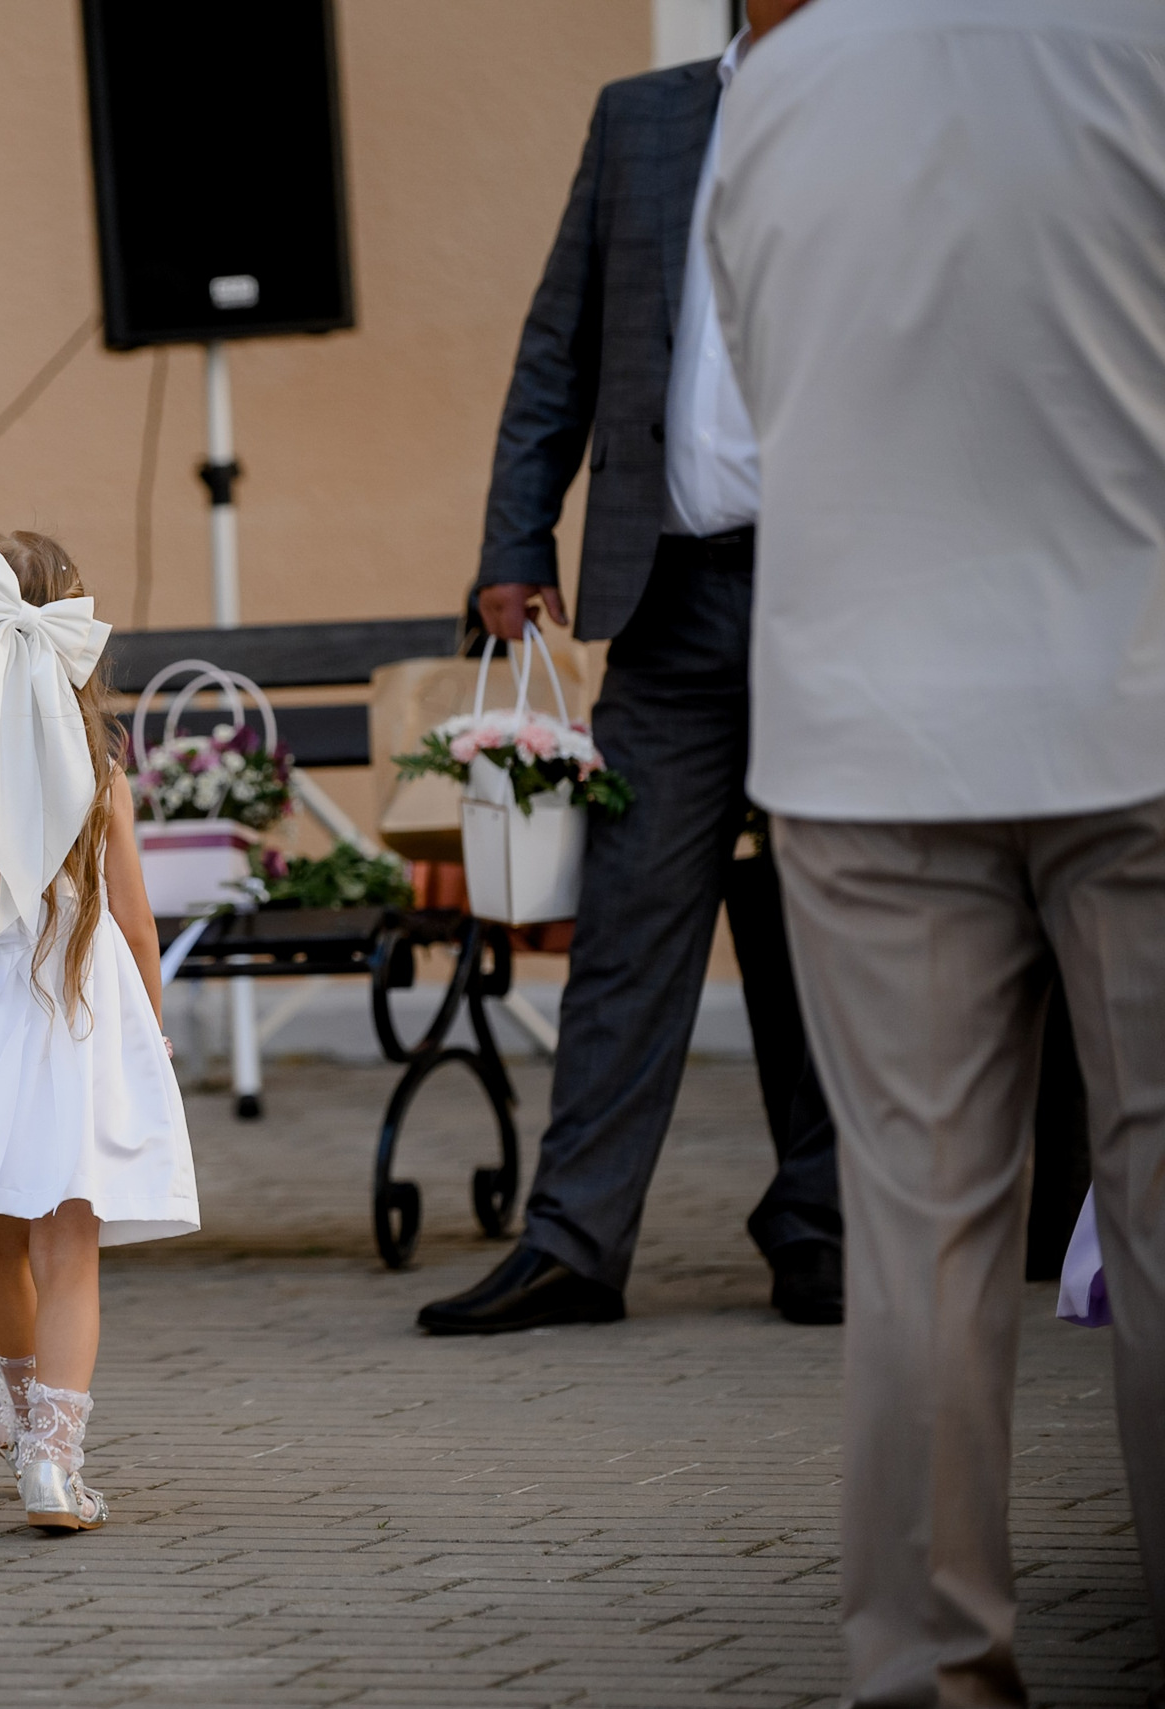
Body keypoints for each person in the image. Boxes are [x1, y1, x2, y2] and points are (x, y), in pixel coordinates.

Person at [709, 0, 1165, 1699]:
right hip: (1137, 696)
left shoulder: (779, 83)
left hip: (869, 724)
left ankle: (927, 1669)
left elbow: (765, 386)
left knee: (921, 1236)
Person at [418, 10, 843, 1336]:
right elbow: (561, 343)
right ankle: (574, 1242)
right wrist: (513, 538)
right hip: (670, 595)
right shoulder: (642, 117)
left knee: (832, 927)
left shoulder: (883, 109)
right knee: (627, 925)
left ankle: (825, 1227)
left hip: (844, 596)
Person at [0, 533, 197, 1533]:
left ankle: (20, 1420)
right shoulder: (98, 775)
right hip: (73, 1022)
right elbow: (137, 922)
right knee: (73, 1249)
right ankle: (53, 1463)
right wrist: (151, 1024)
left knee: (4, 1244)